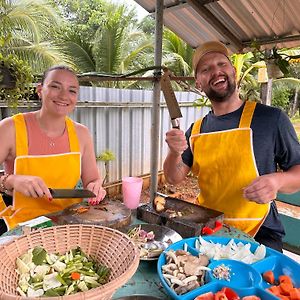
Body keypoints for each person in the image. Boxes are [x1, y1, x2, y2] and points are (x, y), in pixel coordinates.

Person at [163, 41, 300, 252]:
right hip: (208, 231)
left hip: (259, 235)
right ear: (198, 83)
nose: (216, 71)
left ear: (233, 71)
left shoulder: (271, 119)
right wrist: (174, 153)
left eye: (221, 64)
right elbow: (173, 177)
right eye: (206, 69)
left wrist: (277, 180)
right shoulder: (196, 130)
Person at [0, 65, 106, 234]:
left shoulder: (82, 134)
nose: (64, 96)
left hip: (71, 223)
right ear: (40, 90)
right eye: (55, 86)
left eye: (72, 91)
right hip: (24, 227)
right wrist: (11, 181)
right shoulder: (10, 128)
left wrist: (96, 187)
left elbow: (92, 179)